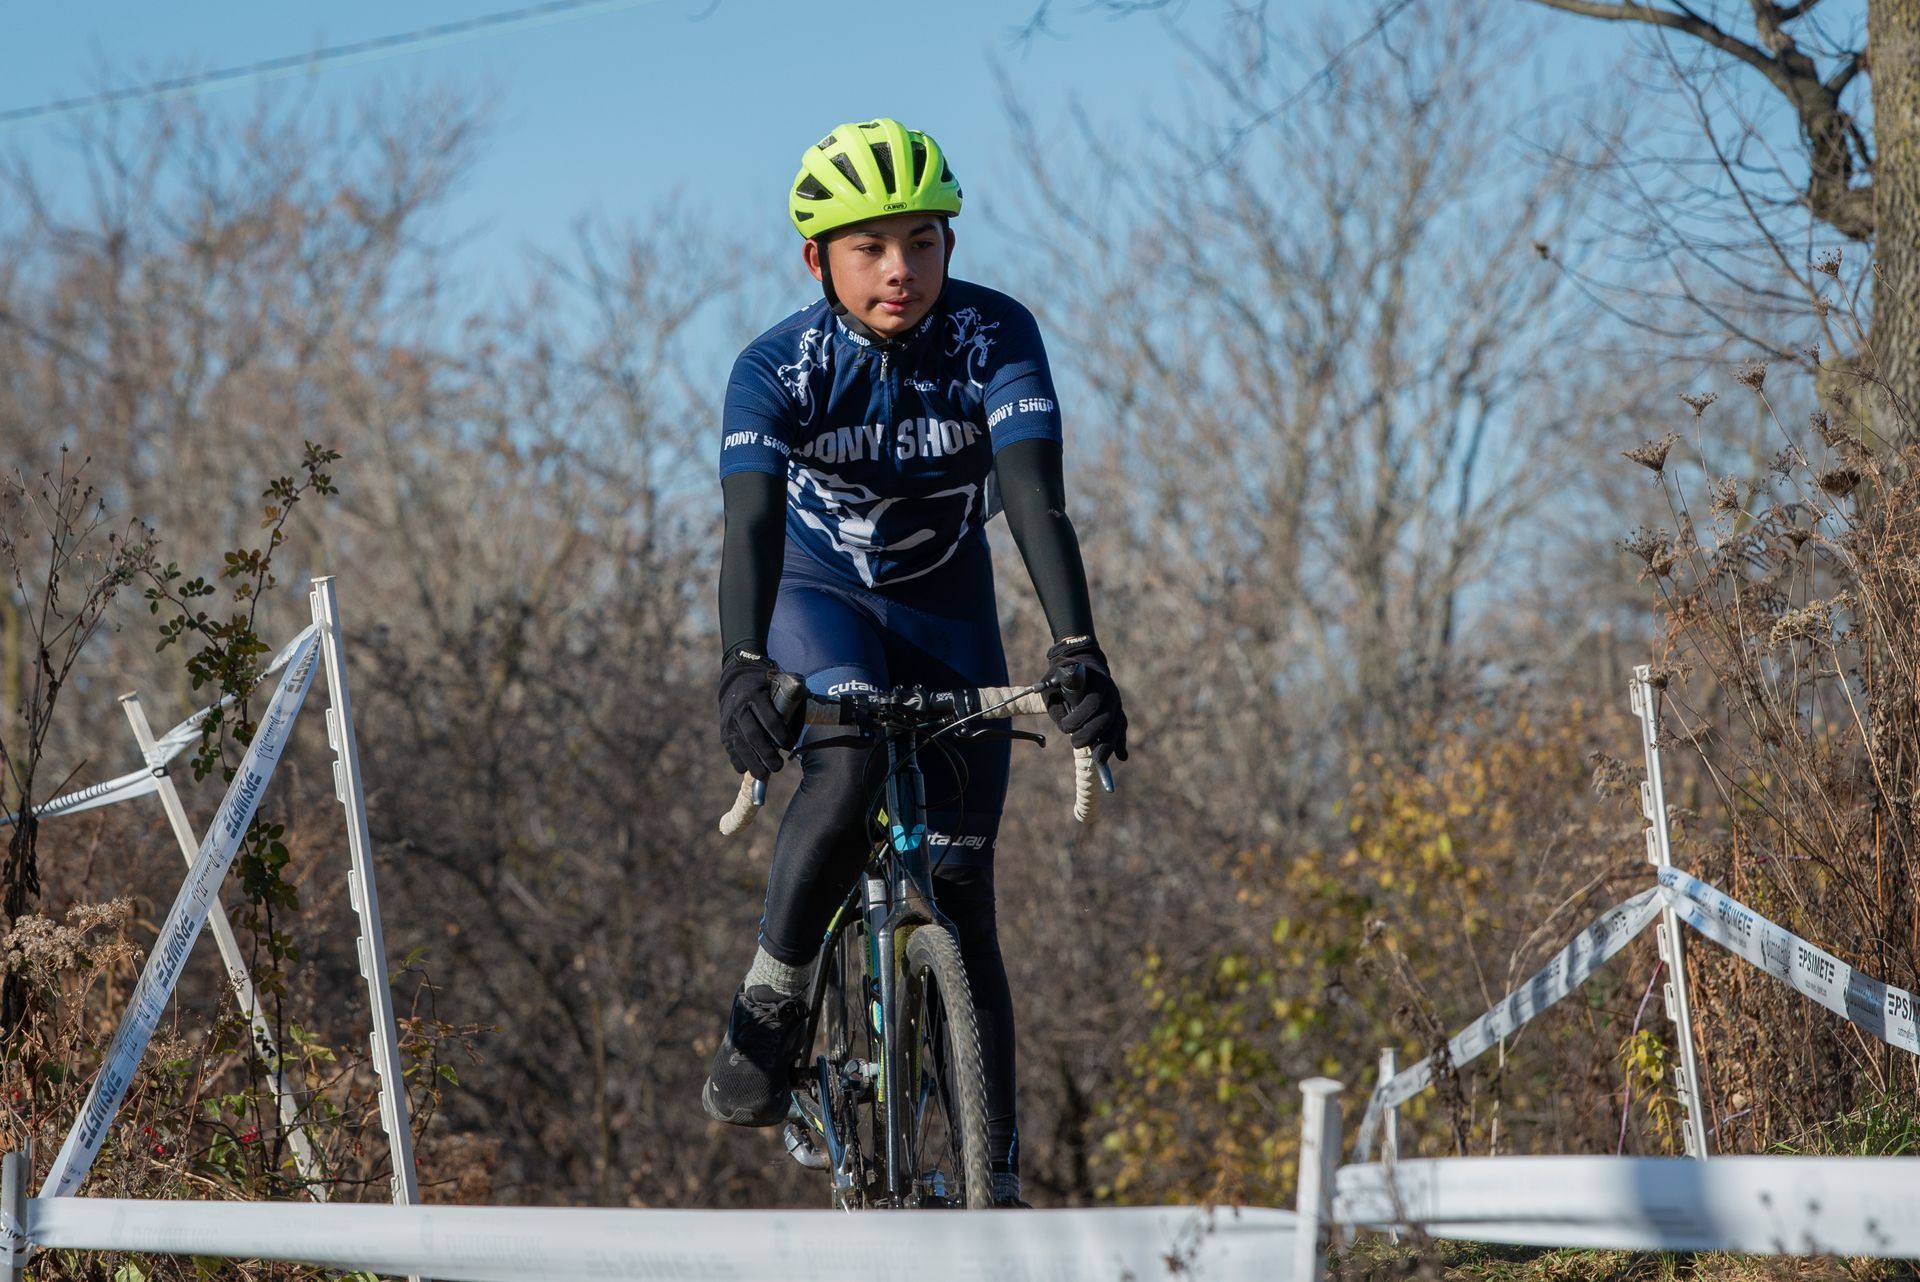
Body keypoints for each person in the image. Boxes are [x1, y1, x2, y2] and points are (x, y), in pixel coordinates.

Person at [702, 118, 1128, 1208]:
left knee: (965, 890)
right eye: (871, 246)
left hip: (947, 604)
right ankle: (776, 993)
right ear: (818, 260)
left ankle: (996, 1179)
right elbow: (749, 526)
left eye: (925, 242)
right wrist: (744, 664)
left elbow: (1035, 501)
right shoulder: (777, 367)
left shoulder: (994, 336)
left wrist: (1077, 648)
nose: (902, 269)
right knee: (842, 769)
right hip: (819, 594)